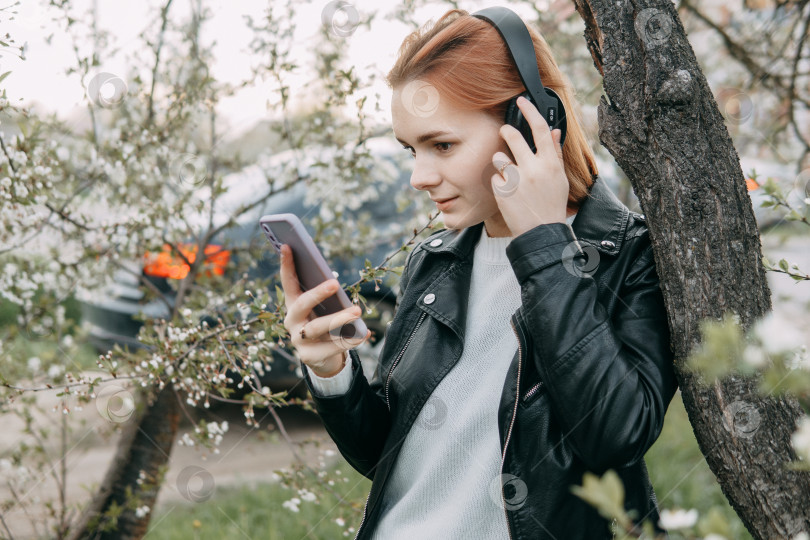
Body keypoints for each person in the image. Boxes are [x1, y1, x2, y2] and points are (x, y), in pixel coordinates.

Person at [279, 7, 678, 540]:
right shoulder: (436, 259)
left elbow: (616, 435)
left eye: (442, 145)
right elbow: (388, 456)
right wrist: (333, 371)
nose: (420, 177)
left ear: (530, 124)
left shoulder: (630, 255)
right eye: (411, 149)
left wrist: (543, 245)